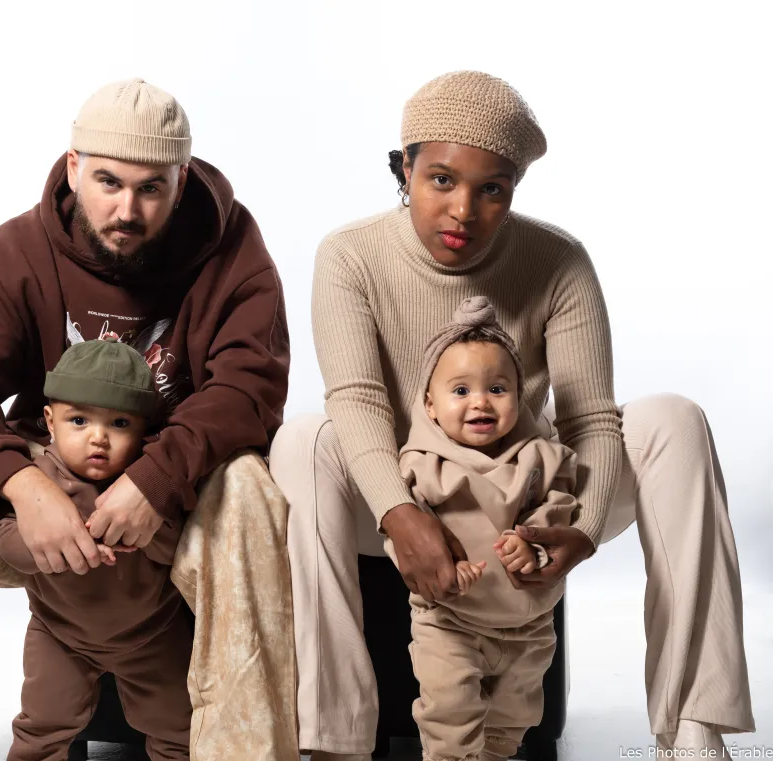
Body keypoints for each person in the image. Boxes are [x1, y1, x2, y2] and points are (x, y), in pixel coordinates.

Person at [269, 70, 754, 761]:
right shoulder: (350, 255)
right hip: (402, 497)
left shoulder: (558, 260)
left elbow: (590, 419)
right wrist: (401, 514)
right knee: (303, 440)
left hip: (524, 498)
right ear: (404, 169)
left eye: (491, 189)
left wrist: (583, 525)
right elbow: (358, 400)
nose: (462, 210)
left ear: (514, 189)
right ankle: (335, 741)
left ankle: (692, 732)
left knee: (673, 419)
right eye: (441, 180)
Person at [0, 78, 298, 761]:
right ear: (75, 167)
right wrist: (22, 486)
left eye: (151, 188)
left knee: (250, 487)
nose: (127, 210)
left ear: (182, 179)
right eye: (108, 182)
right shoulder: (14, 253)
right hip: (46, 495)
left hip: (176, 503)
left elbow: (250, 389)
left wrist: (155, 480)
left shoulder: (233, 252)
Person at [395, 296, 578, 761]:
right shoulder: (423, 466)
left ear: (520, 396)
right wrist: (446, 567)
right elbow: (406, 534)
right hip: (450, 622)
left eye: (497, 388)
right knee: (449, 714)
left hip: (528, 625)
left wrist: (532, 542)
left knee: (512, 719)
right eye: (460, 391)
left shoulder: (540, 457)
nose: (480, 401)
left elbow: (559, 506)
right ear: (430, 405)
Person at [0, 339, 192, 761]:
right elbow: (5, 538)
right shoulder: (38, 478)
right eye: (79, 420)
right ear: (50, 422)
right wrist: (53, 543)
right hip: (59, 632)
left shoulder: (149, 484)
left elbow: (181, 548)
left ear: (144, 429)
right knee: (42, 726)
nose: (98, 438)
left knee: (179, 730)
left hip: (152, 632)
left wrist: (141, 531)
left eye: (119, 423)